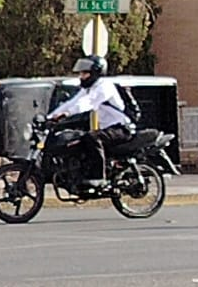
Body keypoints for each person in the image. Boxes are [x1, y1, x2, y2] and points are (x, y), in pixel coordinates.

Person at [47, 54, 139, 189]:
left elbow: (88, 103)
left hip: (122, 128)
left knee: (92, 137)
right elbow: (72, 102)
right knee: (79, 139)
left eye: (85, 73)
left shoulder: (104, 87)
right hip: (109, 129)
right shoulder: (89, 88)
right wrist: (50, 117)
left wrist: (67, 114)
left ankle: (98, 177)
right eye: (81, 73)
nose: (81, 76)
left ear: (96, 72)